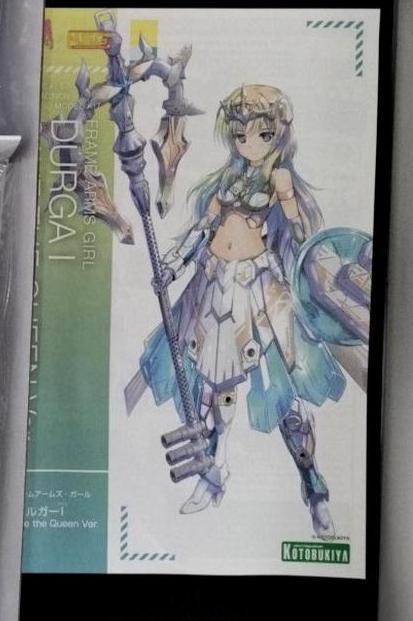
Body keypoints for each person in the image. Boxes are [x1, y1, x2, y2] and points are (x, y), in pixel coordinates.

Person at [125, 84, 346, 537]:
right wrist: (173, 265)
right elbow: (203, 228)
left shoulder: (278, 179)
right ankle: (213, 474)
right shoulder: (229, 178)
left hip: (259, 288)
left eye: (261, 134)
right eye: (241, 134)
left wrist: (292, 213)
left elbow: (302, 237)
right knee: (217, 392)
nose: (249, 143)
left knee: (285, 396)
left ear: (278, 133)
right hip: (214, 283)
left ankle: (314, 487)